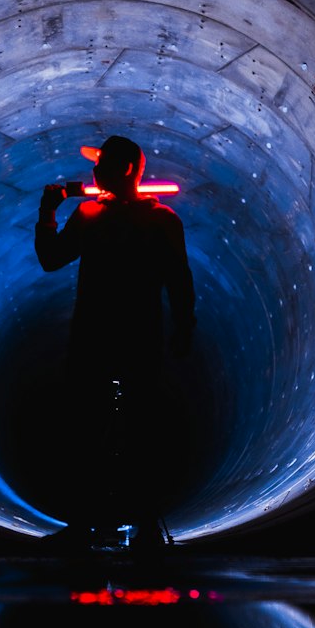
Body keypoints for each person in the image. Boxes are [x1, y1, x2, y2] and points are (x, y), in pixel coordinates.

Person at [35, 135, 195, 550]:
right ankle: (145, 528)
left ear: (124, 169)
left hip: (94, 341)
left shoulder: (92, 214)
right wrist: (182, 327)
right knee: (141, 430)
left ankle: (83, 526)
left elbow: (51, 259)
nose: (93, 170)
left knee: (86, 430)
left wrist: (48, 213)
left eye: (102, 162)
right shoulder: (162, 220)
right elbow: (180, 281)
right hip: (141, 342)